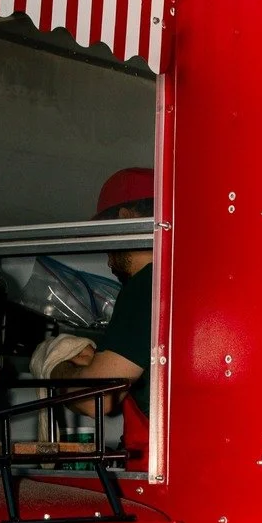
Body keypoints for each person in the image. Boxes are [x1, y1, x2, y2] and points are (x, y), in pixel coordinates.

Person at [70, 167, 155, 452]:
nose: (108, 259)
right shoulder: (183, 281)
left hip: (155, 480)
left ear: (125, 218)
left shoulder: (149, 285)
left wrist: (55, 363)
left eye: (105, 237)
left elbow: (96, 399)